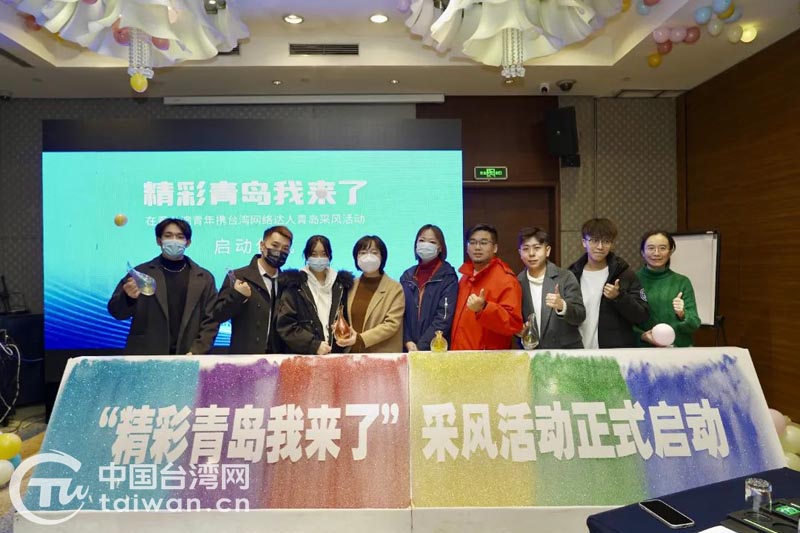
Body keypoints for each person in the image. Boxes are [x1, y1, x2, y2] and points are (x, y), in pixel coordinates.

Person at [107, 218, 219, 355]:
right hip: (146, 355)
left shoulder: (204, 278)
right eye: (168, 236)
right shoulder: (141, 274)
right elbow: (116, 312)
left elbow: (211, 320)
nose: (174, 240)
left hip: (189, 356)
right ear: (159, 241)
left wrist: (197, 351)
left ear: (188, 242)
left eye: (180, 237)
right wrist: (128, 298)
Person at [567, 218, 649, 349]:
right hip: (577, 349)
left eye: (606, 241)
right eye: (594, 241)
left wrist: (619, 297)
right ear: (584, 242)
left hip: (613, 351)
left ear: (612, 244)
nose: (600, 247)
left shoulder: (624, 274)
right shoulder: (571, 275)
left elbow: (641, 315)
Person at [212, 225, 293, 354]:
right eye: (275, 245)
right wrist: (237, 296)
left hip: (278, 359)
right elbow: (218, 315)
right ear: (262, 245)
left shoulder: (288, 283)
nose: (279, 251)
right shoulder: (239, 276)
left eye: (285, 249)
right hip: (244, 358)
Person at [276, 235, 355, 355]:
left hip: (336, 355)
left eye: (323, 254)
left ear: (330, 256)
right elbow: (286, 325)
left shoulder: (340, 285)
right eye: (314, 254)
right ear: (307, 256)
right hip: (305, 356)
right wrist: (313, 345)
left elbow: (347, 319)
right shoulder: (295, 285)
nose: (319, 258)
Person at [451, 223, 523, 350]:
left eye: (483, 243)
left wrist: (484, 308)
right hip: (460, 355)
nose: (477, 247)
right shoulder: (465, 277)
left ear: (495, 248)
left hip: (487, 358)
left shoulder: (506, 279)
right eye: (472, 242)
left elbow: (513, 324)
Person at [516, 227, 585, 349]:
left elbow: (580, 315)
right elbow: (512, 320)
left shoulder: (565, 277)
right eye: (526, 249)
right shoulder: (516, 282)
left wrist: (562, 306)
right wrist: (517, 330)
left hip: (565, 352)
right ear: (520, 253)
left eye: (537, 248)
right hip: (532, 353)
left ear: (547, 251)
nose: (531, 253)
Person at [336, 235, 404, 353]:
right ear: (356, 257)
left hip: (381, 355)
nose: (368, 257)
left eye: (374, 252)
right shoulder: (350, 285)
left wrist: (360, 339)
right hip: (352, 354)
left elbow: (392, 324)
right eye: (363, 253)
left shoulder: (394, 288)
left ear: (382, 257)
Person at [635, 230, 701, 347]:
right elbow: (622, 323)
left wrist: (682, 313)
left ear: (670, 251)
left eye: (662, 248)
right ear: (642, 252)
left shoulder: (682, 282)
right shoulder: (632, 280)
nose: (656, 253)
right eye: (651, 248)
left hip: (679, 348)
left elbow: (694, 323)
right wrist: (642, 335)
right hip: (643, 350)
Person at [400, 224, 459, 352]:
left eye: (432, 242)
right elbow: (400, 314)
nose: (425, 245)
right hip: (408, 348)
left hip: (436, 348)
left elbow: (444, 317)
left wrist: (422, 346)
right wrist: (407, 341)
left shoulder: (448, 276)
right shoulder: (406, 277)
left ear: (440, 247)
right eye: (422, 240)